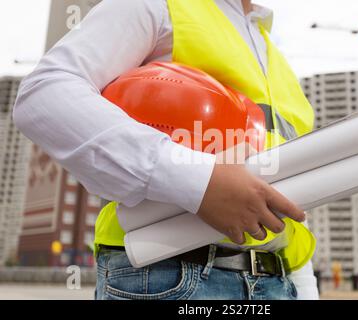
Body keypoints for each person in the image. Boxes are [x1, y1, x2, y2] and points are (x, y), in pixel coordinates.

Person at [13, 0, 319, 300]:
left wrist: (305, 290)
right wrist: (199, 182)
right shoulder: (160, 4)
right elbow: (45, 92)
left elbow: (290, 201)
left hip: (278, 280)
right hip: (169, 275)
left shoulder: (274, 57)